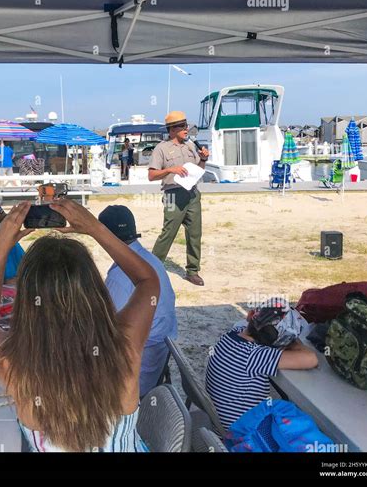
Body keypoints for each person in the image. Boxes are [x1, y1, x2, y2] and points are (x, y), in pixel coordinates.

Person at [0, 199, 160, 452]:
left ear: (27, 297)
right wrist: (96, 228)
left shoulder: (12, 363)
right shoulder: (124, 347)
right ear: (95, 289)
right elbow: (148, 281)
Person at [99, 205, 178, 397]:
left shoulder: (120, 278)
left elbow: (107, 329)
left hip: (137, 372)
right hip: (157, 356)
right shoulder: (149, 260)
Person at [205, 301, 318, 430]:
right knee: (302, 421)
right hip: (242, 434)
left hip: (221, 424)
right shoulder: (257, 355)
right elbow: (311, 359)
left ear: (250, 315)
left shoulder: (232, 334)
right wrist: (293, 340)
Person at [148, 111, 209, 286]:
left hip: (192, 194)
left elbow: (199, 169)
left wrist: (203, 159)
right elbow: (151, 175)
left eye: (186, 125)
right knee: (168, 233)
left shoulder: (190, 146)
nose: (186, 129)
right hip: (173, 195)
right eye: (182, 126)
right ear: (172, 130)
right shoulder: (161, 149)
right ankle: (152, 269)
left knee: (195, 234)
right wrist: (170, 170)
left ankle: (192, 271)